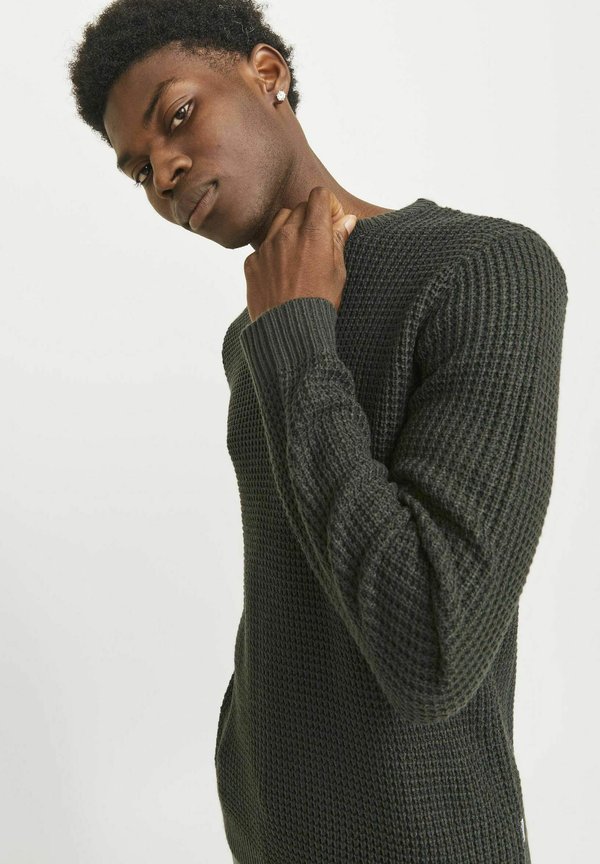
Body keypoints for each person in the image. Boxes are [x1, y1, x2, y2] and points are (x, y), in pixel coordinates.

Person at [68, 3, 568, 863]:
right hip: (273, 834)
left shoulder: (482, 269)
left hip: (429, 839)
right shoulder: (254, 337)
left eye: (177, 114)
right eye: (138, 169)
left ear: (267, 75)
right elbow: (295, 585)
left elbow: (433, 649)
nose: (164, 172)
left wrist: (299, 329)